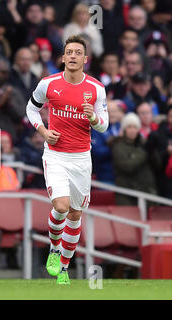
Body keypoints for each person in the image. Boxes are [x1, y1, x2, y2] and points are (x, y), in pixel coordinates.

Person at [25, 35, 109, 285]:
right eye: (68, 52)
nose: (72, 56)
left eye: (77, 52)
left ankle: (63, 267)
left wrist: (93, 119)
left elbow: (104, 126)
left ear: (85, 59)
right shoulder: (48, 84)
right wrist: (42, 131)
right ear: (63, 58)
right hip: (56, 155)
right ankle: (53, 248)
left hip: (82, 158)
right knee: (61, 206)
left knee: (75, 213)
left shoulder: (96, 88)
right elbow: (31, 108)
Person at [110, 112, 157, 205]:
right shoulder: (118, 146)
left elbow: (156, 165)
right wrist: (144, 151)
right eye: (129, 127)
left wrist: (153, 149)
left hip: (146, 191)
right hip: (126, 194)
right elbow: (128, 167)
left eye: (135, 127)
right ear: (124, 129)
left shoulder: (143, 143)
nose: (132, 130)